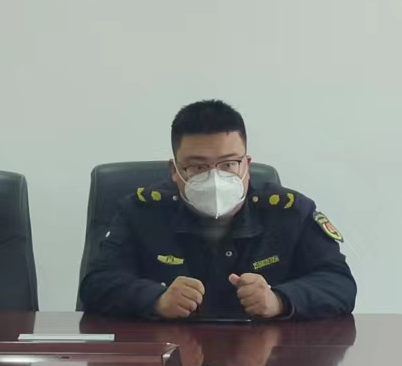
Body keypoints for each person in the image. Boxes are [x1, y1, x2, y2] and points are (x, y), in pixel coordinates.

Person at [79, 99, 356, 321]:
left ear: (246, 164)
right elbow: (97, 284)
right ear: (174, 171)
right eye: (197, 166)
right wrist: (155, 299)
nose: (214, 178)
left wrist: (279, 300)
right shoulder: (141, 211)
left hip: (265, 362)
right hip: (168, 356)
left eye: (228, 164)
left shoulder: (289, 212)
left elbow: (339, 283)